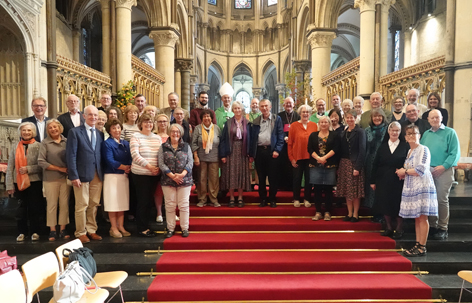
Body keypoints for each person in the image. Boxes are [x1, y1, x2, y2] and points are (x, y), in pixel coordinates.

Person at [396, 124, 438, 257]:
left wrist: (405, 171)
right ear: (405, 138)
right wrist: (402, 173)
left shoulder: (423, 149)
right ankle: (417, 244)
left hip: (422, 186)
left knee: (422, 217)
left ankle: (422, 246)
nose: (412, 136)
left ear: (419, 135)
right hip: (412, 186)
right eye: (409, 134)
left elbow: (421, 169)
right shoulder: (410, 152)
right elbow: (409, 169)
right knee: (417, 218)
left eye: (414, 133)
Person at [66, 105, 104, 244]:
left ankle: (91, 230)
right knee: (82, 204)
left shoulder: (99, 133)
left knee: (94, 203)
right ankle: (80, 232)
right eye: (90, 115)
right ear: (84, 116)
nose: (93, 117)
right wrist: (74, 175)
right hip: (81, 174)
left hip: (97, 174)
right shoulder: (75, 132)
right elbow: (71, 155)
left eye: (95, 115)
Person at [421, 109, 460, 240]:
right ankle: (432, 226)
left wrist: (443, 166)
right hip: (428, 171)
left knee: (441, 200)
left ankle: (443, 227)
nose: (435, 120)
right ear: (428, 120)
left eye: (437, 117)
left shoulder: (450, 132)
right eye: (432, 118)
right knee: (430, 200)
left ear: (441, 118)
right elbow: (422, 152)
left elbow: (455, 153)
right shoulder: (426, 134)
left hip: (444, 170)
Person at [6, 122, 43, 242]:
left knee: (34, 208)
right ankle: (21, 232)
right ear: (20, 132)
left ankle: (35, 231)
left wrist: (29, 169)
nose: (26, 132)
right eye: (24, 130)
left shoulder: (39, 146)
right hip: (18, 182)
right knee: (20, 208)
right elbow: (10, 167)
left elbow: (42, 165)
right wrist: (9, 185)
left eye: (29, 130)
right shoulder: (15, 146)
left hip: (34, 182)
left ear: (33, 132)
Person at [370, 121, 409, 239]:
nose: (395, 132)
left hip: (399, 180)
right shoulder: (382, 146)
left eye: (397, 130)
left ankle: (399, 228)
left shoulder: (405, 146)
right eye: (392, 130)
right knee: (385, 203)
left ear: (400, 132)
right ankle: (388, 227)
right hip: (383, 179)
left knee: (398, 204)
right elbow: (375, 164)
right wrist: (372, 181)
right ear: (388, 131)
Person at [38, 119, 71, 241]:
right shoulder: (45, 143)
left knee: (64, 204)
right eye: (50, 127)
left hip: (65, 179)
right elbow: (41, 161)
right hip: (50, 179)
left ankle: (63, 229)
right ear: (48, 130)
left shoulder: (67, 141)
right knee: (51, 205)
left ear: (60, 128)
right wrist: (59, 169)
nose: (53, 129)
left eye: (55, 127)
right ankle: (52, 230)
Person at [159, 123, 193, 238]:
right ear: (169, 133)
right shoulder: (163, 146)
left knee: (183, 205)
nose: (175, 134)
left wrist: (182, 175)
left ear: (181, 133)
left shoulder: (186, 146)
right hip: (168, 180)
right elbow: (161, 163)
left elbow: (190, 162)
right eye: (173, 131)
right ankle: (170, 228)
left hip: (185, 180)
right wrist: (173, 176)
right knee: (170, 205)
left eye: (177, 131)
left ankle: (184, 228)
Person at [130, 114, 162, 237]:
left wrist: (158, 167)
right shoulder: (135, 136)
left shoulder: (157, 138)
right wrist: (149, 166)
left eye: (150, 122)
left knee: (149, 201)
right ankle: (142, 228)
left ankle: (146, 225)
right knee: (143, 201)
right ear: (141, 123)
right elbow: (135, 155)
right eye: (145, 122)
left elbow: (160, 155)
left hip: (154, 174)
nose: (148, 124)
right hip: (141, 174)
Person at [248, 99, 284, 207]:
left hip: (272, 151)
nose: (264, 108)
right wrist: (252, 153)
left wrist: (277, 150)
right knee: (261, 177)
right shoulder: (256, 121)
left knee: (273, 177)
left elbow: (280, 136)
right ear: (259, 108)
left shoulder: (276, 119)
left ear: (270, 106)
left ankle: (272, 199)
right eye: (262, 106)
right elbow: (252, 138)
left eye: (266, 106)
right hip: (259, 152)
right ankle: (263, 199)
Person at [102, 118, 132, 238]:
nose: (117, 130)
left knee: (122, 202)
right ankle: (113, 228)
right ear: (109, 130)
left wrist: (128, 167)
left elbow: (130, 157)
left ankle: (121, 226)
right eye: (114, 128)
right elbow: (109, 160)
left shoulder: (125, 143)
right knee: (113, 203)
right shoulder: (107, 143)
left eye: (118, 127)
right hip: (112, 176)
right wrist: (124, 167)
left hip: (124, 176)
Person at [219, 101, 252, 207]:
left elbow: (251, 139)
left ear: (242, 110)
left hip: (243, 151)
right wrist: (223, 155)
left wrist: (250, 154)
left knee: (241, 174)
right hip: (231, 150)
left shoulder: (247, 123)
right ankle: (232, 197)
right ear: (232, 110)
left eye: (239, 108)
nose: (237, 110)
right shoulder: (228, 123)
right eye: (235, 108)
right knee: (231, 174)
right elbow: (223, 139)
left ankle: (241, 197)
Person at [307, 116, 340, 221]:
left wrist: (324, 158)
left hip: (330, 165)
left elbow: (336, 148)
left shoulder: (335, 135)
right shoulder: (313, 135)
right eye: (322, 122)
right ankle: (318, 211)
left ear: (329, 123)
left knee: (328, 189)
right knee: (316, 189)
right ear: (319, 124)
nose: (324, 124)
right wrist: (318, 158)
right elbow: (310, 148)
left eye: (326, 122)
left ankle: (327, 212)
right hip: (315, 165)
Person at [336, 109, 366, 222]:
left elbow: (362, 150)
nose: (349, 119)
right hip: (344, 163)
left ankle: (355, 214)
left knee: (355, 191)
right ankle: (349, 213)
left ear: (355, 118)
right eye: (347, 118)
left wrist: (357, 167)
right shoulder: (343, 132)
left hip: (355, 163)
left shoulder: (360, 131)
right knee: (347, 191)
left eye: (351, 117)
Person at [288, 104, 318, 208]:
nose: (305, 114)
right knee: (297, 178)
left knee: (309, 179)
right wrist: (291, 158)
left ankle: (307, 199)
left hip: (310, 157)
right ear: (300, 113)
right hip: (297, 157)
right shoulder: (294, 125)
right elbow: (290, 143)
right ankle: (296, 198)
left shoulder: (314, 125)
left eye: (307, 112)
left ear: (310, 114)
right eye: (303, 112)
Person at [191, 109, 221, 207]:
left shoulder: (217, 128)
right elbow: (194, 143)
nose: (206, 118)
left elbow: (220, 143)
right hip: (201, 158)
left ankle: (213, 199)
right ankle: (202, 199)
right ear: (201, 118)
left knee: (214, 179)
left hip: (214, 158)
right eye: (204, 116)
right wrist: (195, 156)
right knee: (201, 179)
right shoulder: (198, 129)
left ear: (212, 118)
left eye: (208, 116)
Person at [364, 108, 388, 209]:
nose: (377, 118)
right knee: (371, 184)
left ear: (383, 117)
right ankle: (371, 207)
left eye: (379, 116)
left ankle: (381, 208)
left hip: (383, 161)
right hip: (370, 160)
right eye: (375, 116)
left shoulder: (388, 129)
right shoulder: (367, 130)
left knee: (381, 185)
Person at [278, 97, 300, 190]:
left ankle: (292, 186)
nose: (288, 105)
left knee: (293, 164)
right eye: (286, 103)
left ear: (293, 104)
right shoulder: (279, 116)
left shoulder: (298, 116)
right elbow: (278, 129)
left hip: (294, 144)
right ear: (283, 105)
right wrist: (284, 137)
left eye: (290, 103)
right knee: (283, 164)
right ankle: (282, 185)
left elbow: (299, 129)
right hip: (283, 144)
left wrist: (291, 138)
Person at [154, 114, 170, 223]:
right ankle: (159, 213)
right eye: (160, 121)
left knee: (170, 191)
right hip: (157, 165)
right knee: (158, 191)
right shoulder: (154, 135)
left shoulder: (171, 135)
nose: (162, 123)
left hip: (170, 167)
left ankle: (170, 212)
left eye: (164, 121)